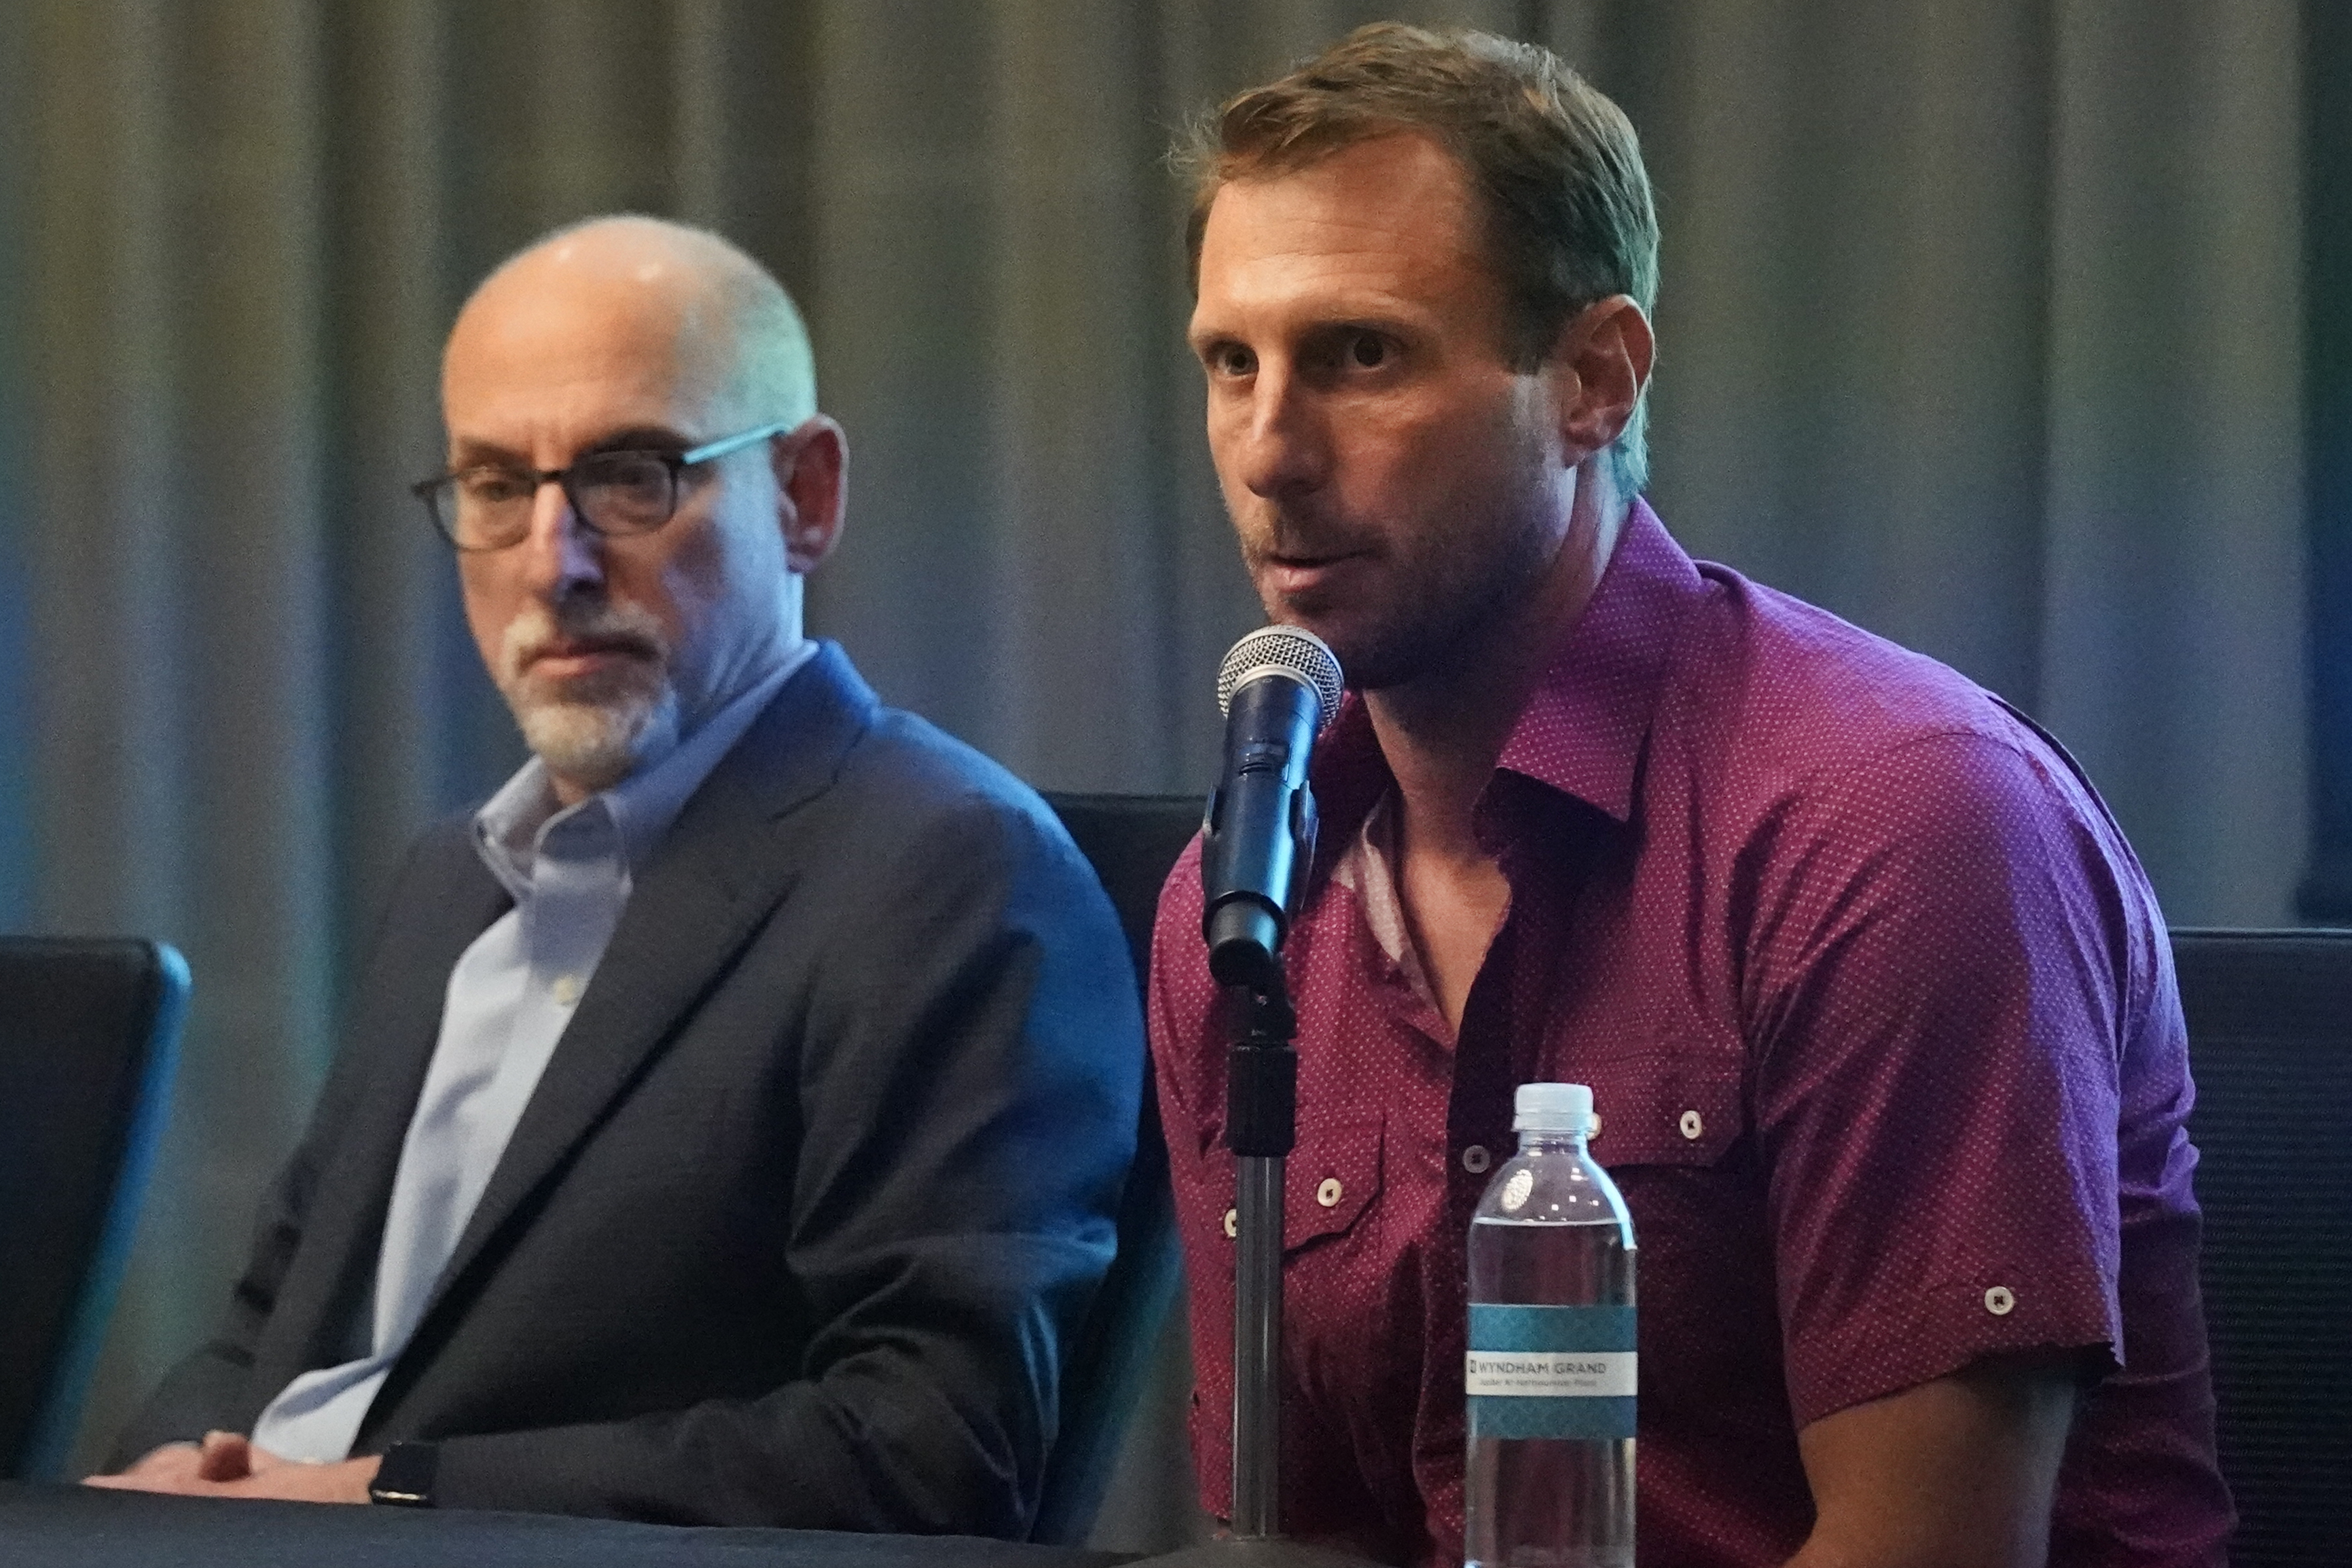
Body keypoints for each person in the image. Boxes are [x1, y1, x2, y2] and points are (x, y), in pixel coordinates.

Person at [1149, 24, 2231, 1568]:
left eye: (1361, 356)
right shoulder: (1241, 905)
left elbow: (1931, 1552)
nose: (1268, 452)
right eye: (1229, 363)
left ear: (1593, 378)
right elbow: (1299, 1537)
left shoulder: (1896, 827)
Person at [90, 215, 1142, 1534]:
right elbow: (270, 1331)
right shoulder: (449, 876)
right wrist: (148, 1496)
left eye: (631, 475)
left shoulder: (951, 872)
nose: (553, 560)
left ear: (804, 498)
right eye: (490, 483)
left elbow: (935, 1445)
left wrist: (383, 1493)